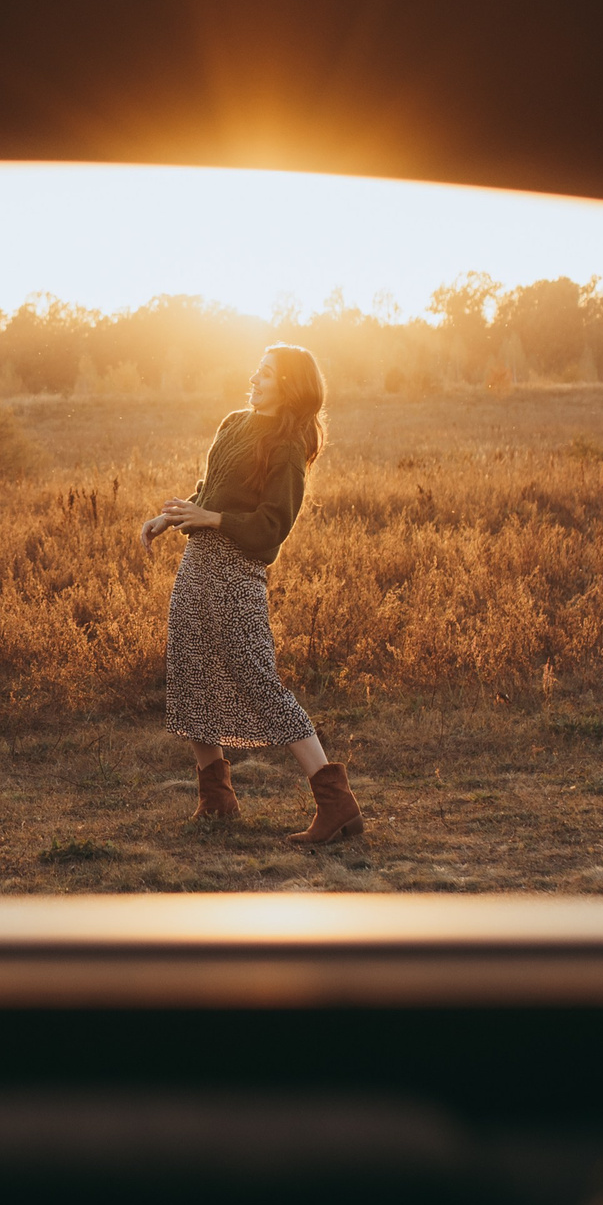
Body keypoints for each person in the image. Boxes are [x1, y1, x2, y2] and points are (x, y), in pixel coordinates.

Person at [141, 343, 364, 845]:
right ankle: (216, 799)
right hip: (198, 566)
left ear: (289, 385)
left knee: (257, 680)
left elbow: (273, 526)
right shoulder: (233, 423)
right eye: (258, 369)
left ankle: (337, 805)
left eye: (267, 374)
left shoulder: (287, 445)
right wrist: (172, 516)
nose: (255, 378)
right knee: (190, 672)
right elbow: (210, 490)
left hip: (238, 573)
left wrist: (213, 519)